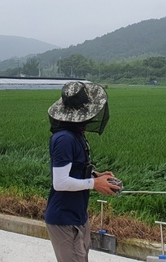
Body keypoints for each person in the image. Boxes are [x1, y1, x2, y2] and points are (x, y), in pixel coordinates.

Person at [45, 81, 122, 262]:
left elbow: (75, 170)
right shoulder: (64, 139)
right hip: (64, 219)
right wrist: (95, 184)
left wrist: (96, 176)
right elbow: (61, 182)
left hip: (78, 215)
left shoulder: (76, 134)